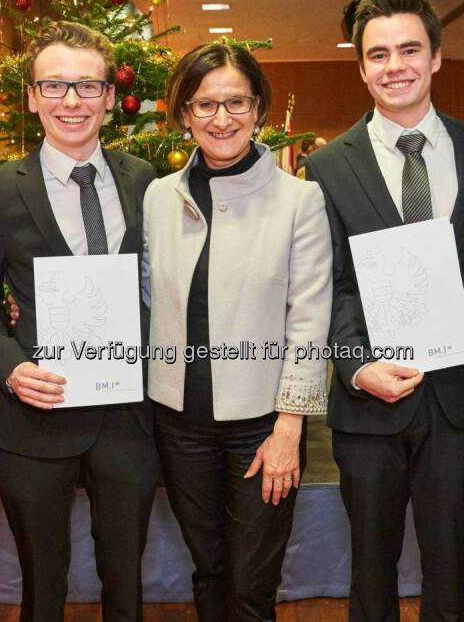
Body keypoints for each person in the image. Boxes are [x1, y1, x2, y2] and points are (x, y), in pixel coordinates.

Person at [306, 0, 464, 621]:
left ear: (436, 57)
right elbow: (328, 284)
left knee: (450, 566)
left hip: (455, 401)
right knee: (371, 568)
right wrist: (356, 366)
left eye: (410, 49)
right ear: (361, 68)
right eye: (379, 54)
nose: (396, 66)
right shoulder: (328, 166)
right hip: (367, 404)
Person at [0, 21, 159, 622]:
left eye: (86, 85)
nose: (70, 101)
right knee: (42, 585)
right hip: (37, 417)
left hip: (127, 415)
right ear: (31, 96)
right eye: (53, 85)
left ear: (109, 96)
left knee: (126, 579)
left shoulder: (144, 181)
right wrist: (11, 367)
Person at [143, 42, 332, 622]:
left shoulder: (299, 199)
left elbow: (309, 320)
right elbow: (146, 298)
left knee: (252, 582)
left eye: (236, 102)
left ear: (258, 109)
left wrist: (289, 427)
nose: (221, 119)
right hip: (179, 421)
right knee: (207, 568)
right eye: (205, 105)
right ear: (184, 114)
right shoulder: (158, 197)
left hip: (263, 425)